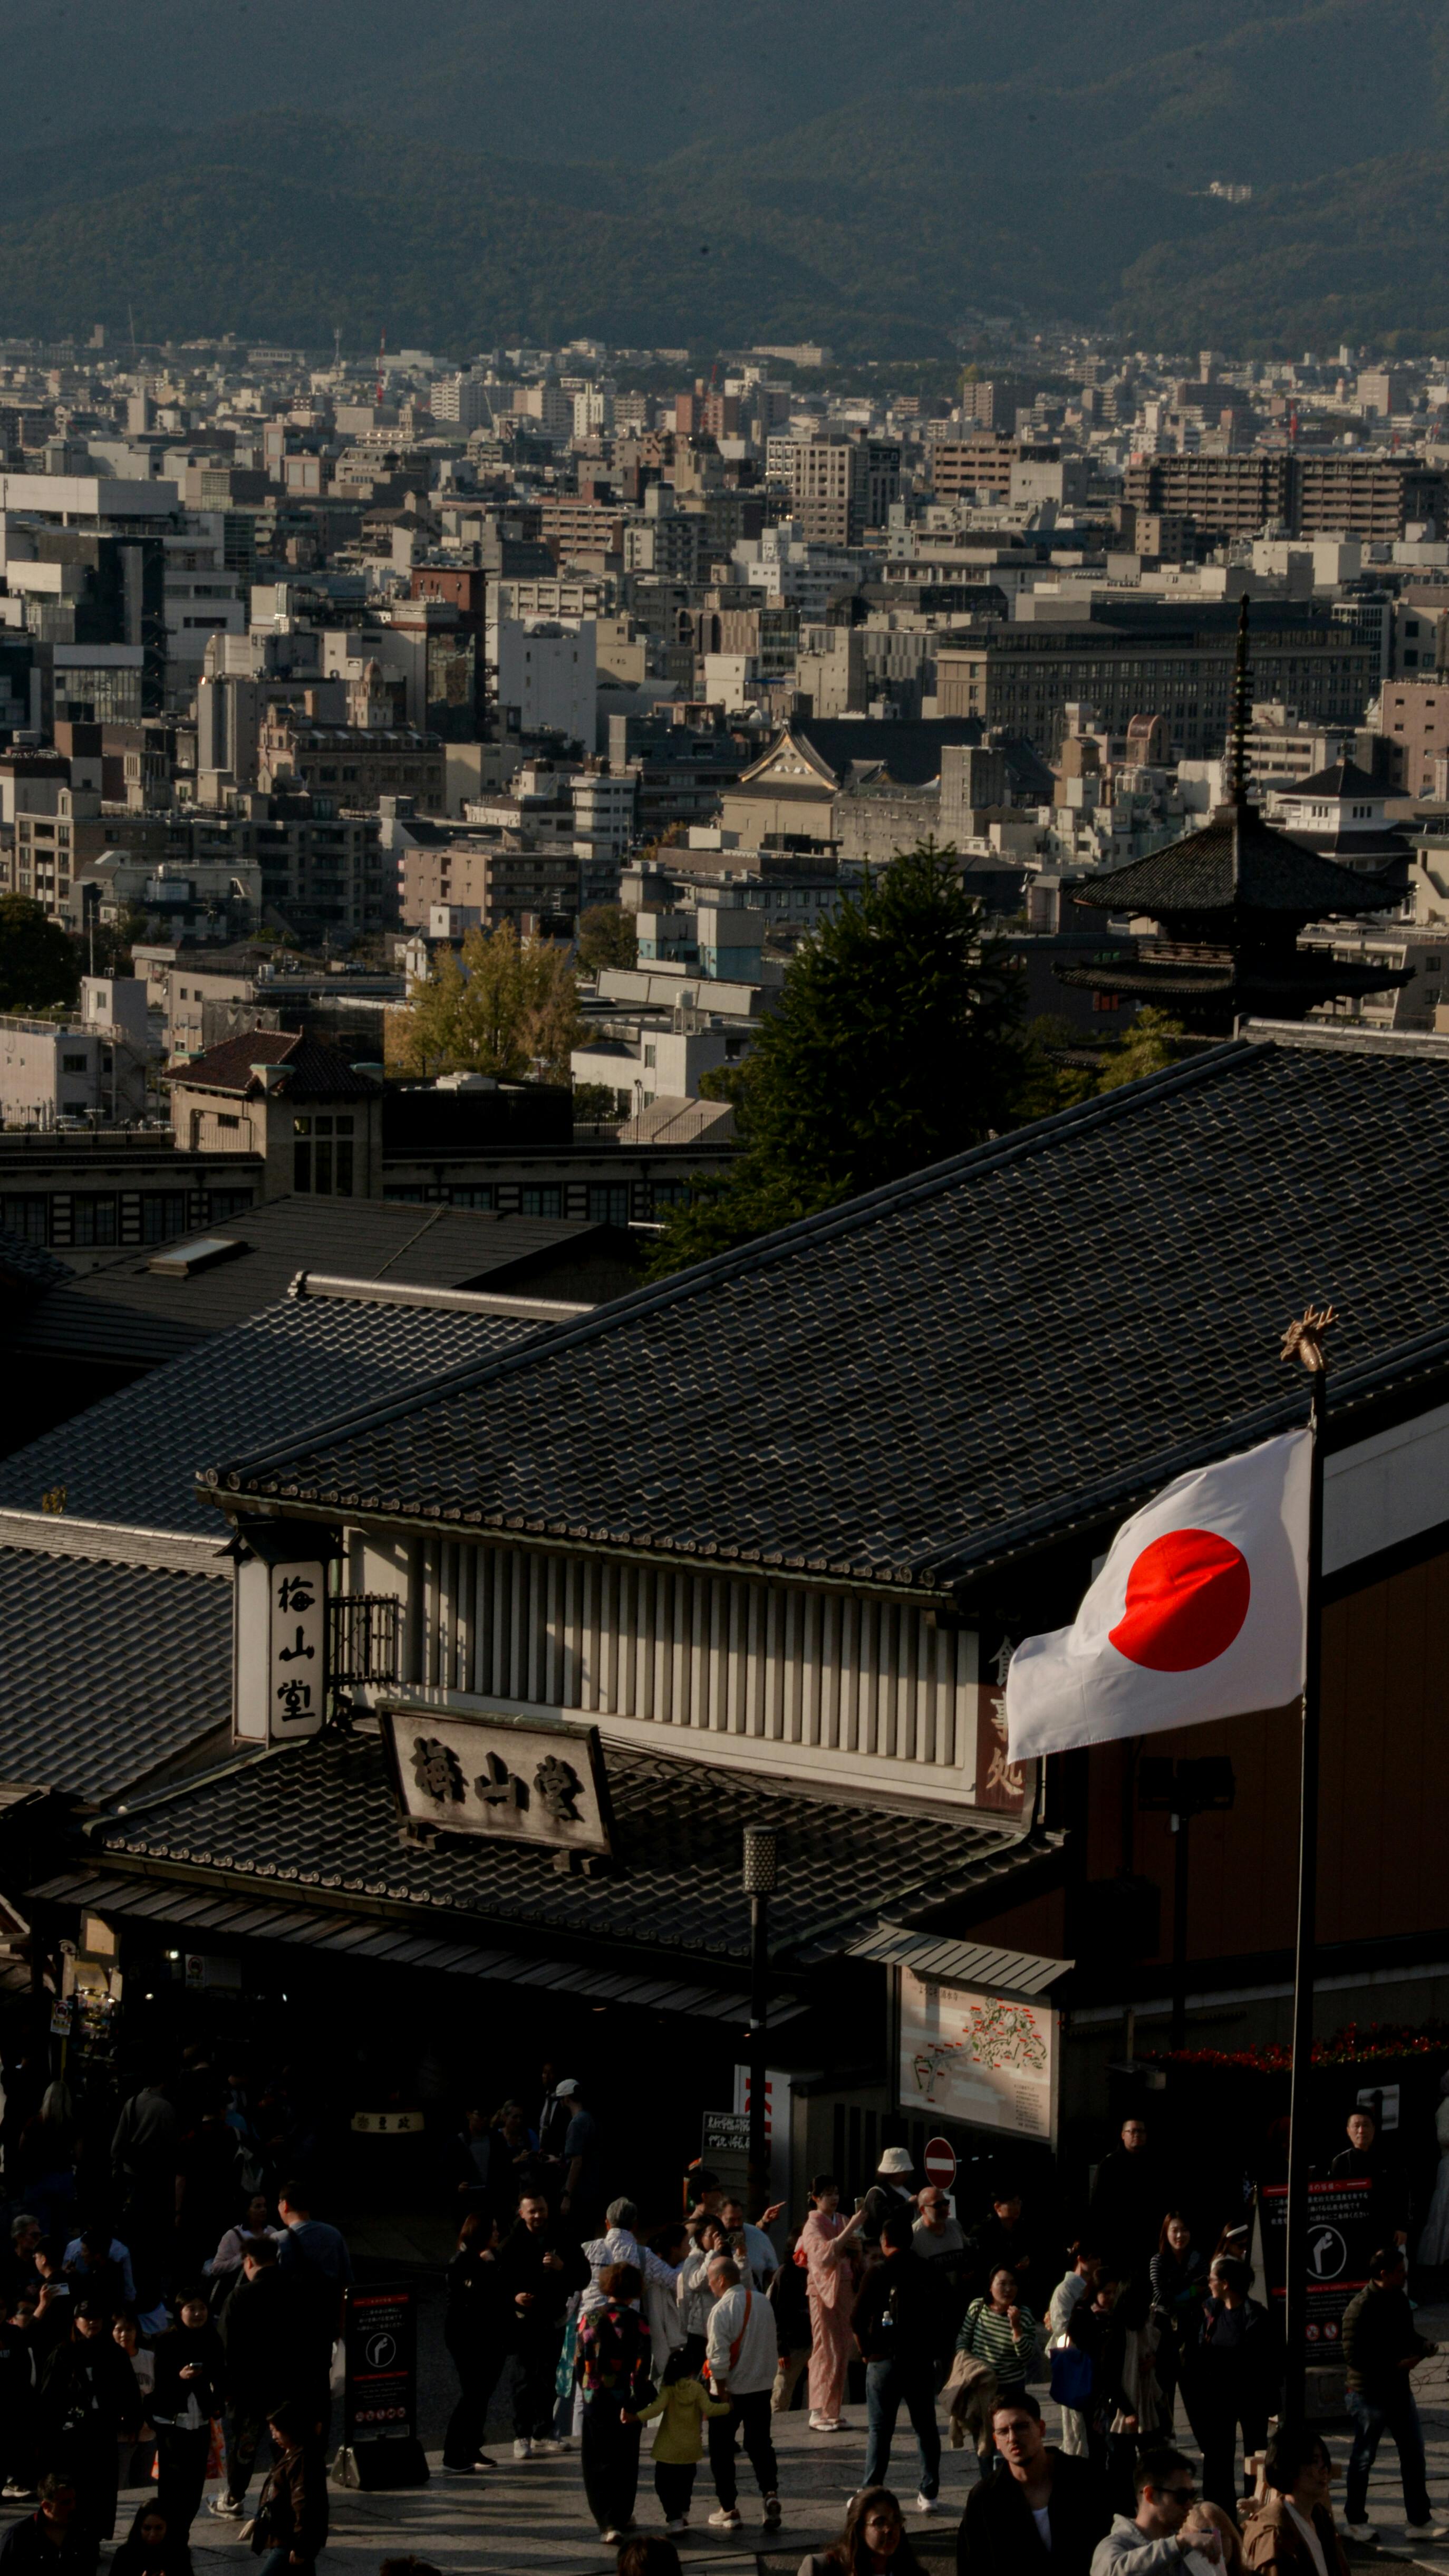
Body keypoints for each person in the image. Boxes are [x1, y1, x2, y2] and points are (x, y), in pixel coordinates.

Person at [1340, 2244, 1446, 2541]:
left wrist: (1422, 2345)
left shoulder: (1398, 2298)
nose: (1405, 2276)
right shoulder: (1360, 2308)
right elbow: (1354, 2356)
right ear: (1384, 2274)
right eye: (1400, 2272)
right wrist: (1397, 2365)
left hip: (1399, 2391)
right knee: (1364, 2459)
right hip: (1369, 2394)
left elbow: (1406, 2335)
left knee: (1413, 2454)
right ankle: (1355, 2520)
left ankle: (1419, 2519)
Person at [212, 2236, 315, 2519]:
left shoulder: (240, 2297)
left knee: (246, 2446)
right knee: (289, 2442)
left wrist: (224, 2389)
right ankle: (294, 2493)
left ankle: (235, 2498)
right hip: (291, 2386)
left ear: (248, 2262)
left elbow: (225, 2349)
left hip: (250, 2390)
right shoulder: (298, 2291)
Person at [957, 2390, 1110, 2576]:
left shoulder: (1086, 2479)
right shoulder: (985, 2498)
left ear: (1041, 2428)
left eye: (1021, 2427)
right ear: (996, 2441)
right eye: (1003, 2432)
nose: (1013, 2438)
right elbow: (971, 2565)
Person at [855, 2209, 948, 2513]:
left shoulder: (878, 2272)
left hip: (884, 2359)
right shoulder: (930, 2270)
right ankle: (929, 2492)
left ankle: (872, 2489)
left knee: (880, 2430)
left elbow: (856, 2318)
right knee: (926, 2428)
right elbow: (948, 2312)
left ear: (885, 2241)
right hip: (920, 2360)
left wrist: (866, 2351)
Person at [40, 2299, 140, 2549]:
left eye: (97, 2318)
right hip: (72, 2434)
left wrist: (132, 2421)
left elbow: (130, 2390)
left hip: (103, 2429)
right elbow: (48, 2397)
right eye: (87, 2318)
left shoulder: (113, 2353)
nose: (93, 2323)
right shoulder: (63, 2353)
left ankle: (94, 2538)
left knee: (102, 2488)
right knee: (75, 2487)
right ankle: (72, 2538)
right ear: (77, 2322)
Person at [498, 2190, 585, 2456]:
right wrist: (514, 2298)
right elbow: (496, 2285)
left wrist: (562, 2268)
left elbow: (583, 2276)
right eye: (532, 2211)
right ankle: (522, 2434)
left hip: (553, 2319)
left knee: (548, 2379)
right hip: (524, 2323)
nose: (538, 2216)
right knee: (524, 2379)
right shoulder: (511, 2244)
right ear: (521, 2213)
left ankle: (544, 2430)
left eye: (542, 2210)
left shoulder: (563, 2238)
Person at [575, 2259, 653, 2544]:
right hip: (626, 2401)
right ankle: (622, 2514)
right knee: (625, 2459)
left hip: (596, 2398)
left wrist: (587, 2388)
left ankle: (606, 2521)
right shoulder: (639, 2322)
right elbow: (643, 2366)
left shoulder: (590, 2318)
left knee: (597, 2460)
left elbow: (579, 2360)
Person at [1193, 2257, 1278, 2517]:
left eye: (1212, 2279)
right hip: (1219, 2397)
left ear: (1225, 2284)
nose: (1209, 2284)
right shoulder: (1212, 2311)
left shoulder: (1255, 2316)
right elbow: (1202, 2348)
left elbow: (1266, 2360)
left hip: (1250, 2396)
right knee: (1218, 2454)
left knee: (1255, 2451)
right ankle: (1219, 2511)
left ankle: (1255, 2507)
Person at [703, 2252, 781, 2532]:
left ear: (722, 2280)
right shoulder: (762, 2302)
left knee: (721, 2449)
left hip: (730, 2390)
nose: (710, 2286)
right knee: (760, 2444)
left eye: (711, 2280)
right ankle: (770, 2494)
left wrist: (722, 2392)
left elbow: (718, 2359)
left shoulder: (721, 2311)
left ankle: (729, 2508)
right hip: (761, 2386)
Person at [630, 2346, 731, 2533]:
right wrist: (728, 2407)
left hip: (668, 2450)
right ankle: (683, 2511)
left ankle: (675, 2519)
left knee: (663, 2485)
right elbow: (710, 2410)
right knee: (686, 2484)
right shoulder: (697, 2389)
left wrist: (636, 2417)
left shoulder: (668, 2390)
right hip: (691, 2450)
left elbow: (656, 2410)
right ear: (691, 2371)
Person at [150, 2289, 224, 2535]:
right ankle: (168, 2535)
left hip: (200, 2420)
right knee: (172, 2485)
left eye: (202, 2308)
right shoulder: (166, 2341)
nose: (198, 2313)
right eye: (191, 2308)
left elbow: (221, 2375)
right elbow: (158, 2384)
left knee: (194, 2485)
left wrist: (217, 2399)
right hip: (173, 2423)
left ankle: (182, 2534)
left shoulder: (212, 2338)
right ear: (180, 2312)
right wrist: (180, 2377)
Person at [440, 2211, 509, 2476]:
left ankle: (472, 2446)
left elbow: (502, 2291)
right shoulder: (461, 2262)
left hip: (491, 2336)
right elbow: (473, 2295)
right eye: (493, 2229)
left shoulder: (494, 2257)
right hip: (466, 2337)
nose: (497, 2233)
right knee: (472, 2394)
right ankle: (452, 2453)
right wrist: (485, 2267)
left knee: (483, 2395)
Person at [797, 2174, 866, 2433]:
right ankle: (817, 2411)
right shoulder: (812, 2224)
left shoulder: (842, 2219)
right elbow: (822, 2256)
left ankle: (832, 2411)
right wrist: (851, 2229)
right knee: (824, 2347)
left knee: (842, 2347)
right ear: (816, 2198)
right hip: (822, 2288)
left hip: (844, 2286)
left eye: (836, 2192)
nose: (834, 2198)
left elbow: (852, 2254)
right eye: (828, 2194)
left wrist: (856, 2246)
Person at [1091, 2446, 1216, 2576]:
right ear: (1150, 2495)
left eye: (1193, 2496)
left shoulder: (1188, 2549)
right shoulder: (1113, 2546)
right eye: (1182, 2496)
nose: (1190, 2505)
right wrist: (1177, 2543)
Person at [1241, 2426, 1348, 2576]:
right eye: (1314, 2461)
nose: (1324, 2469)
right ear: (1290, 2468)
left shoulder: (1320, 2517)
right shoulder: (1275, 2535)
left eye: (1324, 2460)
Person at [957, 2266, 1041, 2433]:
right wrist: (965, 2364)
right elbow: (963, 2338)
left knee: (1009, 2431)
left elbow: (1026, 2356)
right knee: (983, 2435)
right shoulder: (978, 2307)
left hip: (1011, 2386)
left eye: (1013, 2284)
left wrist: (1016, 2329)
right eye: (1002, 2284)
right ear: (991, 2286)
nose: (1008, 2289)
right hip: (981, 2383)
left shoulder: (1024, 2315)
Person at [249, 2401, 326, 2576]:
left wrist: (302, 2547)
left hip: (290, 2541)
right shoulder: (291, 2454)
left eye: (276, 2431)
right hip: (288, 2537)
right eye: (271, 2431)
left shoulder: (302, 2459)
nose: (273, 2436)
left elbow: (304, 2505)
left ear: (290, 2429)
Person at [1150, 2217, 1208, 2437]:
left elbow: (1205, 2290)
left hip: (1192, 2333)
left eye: (1184, 2230)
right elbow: (1160, 2297)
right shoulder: (1158, 2261)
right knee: (1165, 2395)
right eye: (1174, 2230)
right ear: (1166, 2233)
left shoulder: (1198, 2259)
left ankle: (1205, 2445)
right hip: (1164, 2335)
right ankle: (1167, 2442)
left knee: (1196, 2395)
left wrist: (1177, 2294)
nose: (1179, 2235)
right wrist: (1190, 2291)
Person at [1090, 2121, 1164, 2286]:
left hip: (1146, 2241)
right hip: (1116, 2241)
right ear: (1123, 2135)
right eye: (1133, 2131)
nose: (1137, 2135)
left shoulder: (1154, 2164)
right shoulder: (1110, 2165)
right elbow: (1098, 2205)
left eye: (1141, 2132)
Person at [798, 2484, 930, 2576]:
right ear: (860, 2528)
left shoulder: (916, 2573)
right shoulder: (821, 2568)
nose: (890, 2530)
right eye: (880, 2523)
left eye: (896, 2521)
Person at [1049, 2246, 1105, 2458]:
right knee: (1077, 2426)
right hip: (1076, 2360)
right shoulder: (1065, 2289)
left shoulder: (1093, 2284)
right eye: (1094, 2257)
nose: (1098, 2262)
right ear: (1080, 2259)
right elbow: (1061, 2327)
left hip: (1095, 2360)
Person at [1330, 2112, 1409, 2251]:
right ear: (1348, 2131)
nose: (1361, 2131)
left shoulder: (1390, 2160)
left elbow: (1401, 2194)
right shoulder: (1341, 2162)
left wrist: (1401, 2227)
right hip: (1351, 2231)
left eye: (1366, 2125)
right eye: (1356, 2126)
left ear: (1374, 2129)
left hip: (1385, 2230)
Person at [0, 2475, 94, 2576]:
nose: (73, 2507)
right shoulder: (18, 2536)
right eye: (65, 2503)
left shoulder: (82, 2532)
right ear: (46, 2506)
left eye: (74, 2500)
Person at [970, 2189, 1041, 2305]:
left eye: (1019, 2203)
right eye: (1012, 2203)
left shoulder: (1022, 2228)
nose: (1017, 2207)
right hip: (991, 2291)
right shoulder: (983, 2231)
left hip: (1017, 2290)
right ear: (998, 2207)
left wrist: (1027, 2261)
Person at [768, 2230, 813, 2414]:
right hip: (791, 2342)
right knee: (782, 2391)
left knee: (807, 2390)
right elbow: (777, 2313)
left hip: (811, 2338)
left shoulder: (812, 2270)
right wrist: (781, 2348)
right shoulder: (786, 2273)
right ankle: (777, 2424)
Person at [207, 2195, 283, 2302]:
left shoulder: (272, 2232)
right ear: (247, 2211)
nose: (263, 2210)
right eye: (258, 2206)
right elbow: (216, 2268)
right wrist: (242, 2258)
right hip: (239, 2292)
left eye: (264, 2206)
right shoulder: (232, 2236)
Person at [555, 2080, 603, 2233]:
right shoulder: (589, 2118)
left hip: (580, 2192)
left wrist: (567, 2196)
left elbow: (577, 2162)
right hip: (592, 2188)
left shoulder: (576, 2123)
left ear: (566, 2098)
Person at [110, 2503, 193, 2576]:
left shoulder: (179, 2554)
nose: (153, 2534)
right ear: (139, 2528)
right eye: (147, 2528)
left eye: (159, 2528)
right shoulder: (125, 2555)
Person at [861, 2148, 917, 2248]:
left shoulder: (907, 2188)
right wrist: (909, 2205)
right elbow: (885, 2218)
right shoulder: (877, 2193)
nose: (906, 2174)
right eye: (903, 2171)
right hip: (885, 2247)